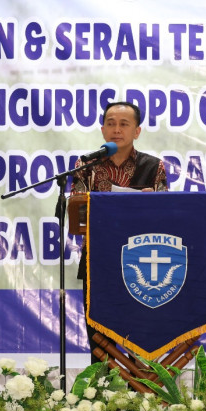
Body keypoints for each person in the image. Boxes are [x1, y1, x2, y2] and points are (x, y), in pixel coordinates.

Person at [71, 101, 168, 364]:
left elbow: (165, 217)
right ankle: (101, 386)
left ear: (137, 131)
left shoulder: (154, 167)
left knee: (139, 332)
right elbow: (77, 210)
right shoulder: (85, 165)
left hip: (141, 261)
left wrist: (152, 204)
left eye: (124, 124)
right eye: (111, 123)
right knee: (99, 333)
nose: (116, 129)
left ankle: (139, 386)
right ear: (103, 129)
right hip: (99, 260)